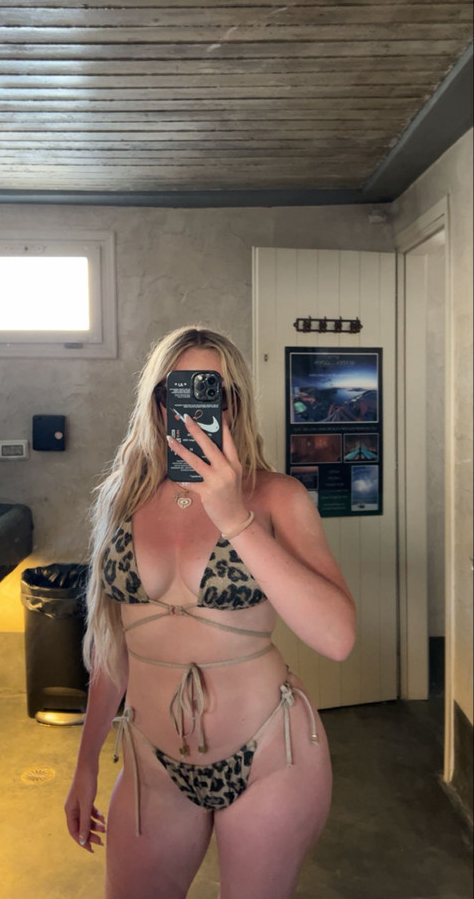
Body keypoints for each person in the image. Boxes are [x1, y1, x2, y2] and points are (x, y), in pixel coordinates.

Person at [65, 326, 356, 899]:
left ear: (234, 403)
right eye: (177, 390)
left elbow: (337, 638)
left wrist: (234, 519)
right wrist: (87, 763)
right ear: (157, 403)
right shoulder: (124, 496)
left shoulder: (276, 497)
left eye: (210, 391)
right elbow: (111, 644)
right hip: (152, 762)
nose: (193, 407)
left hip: (270, 755)